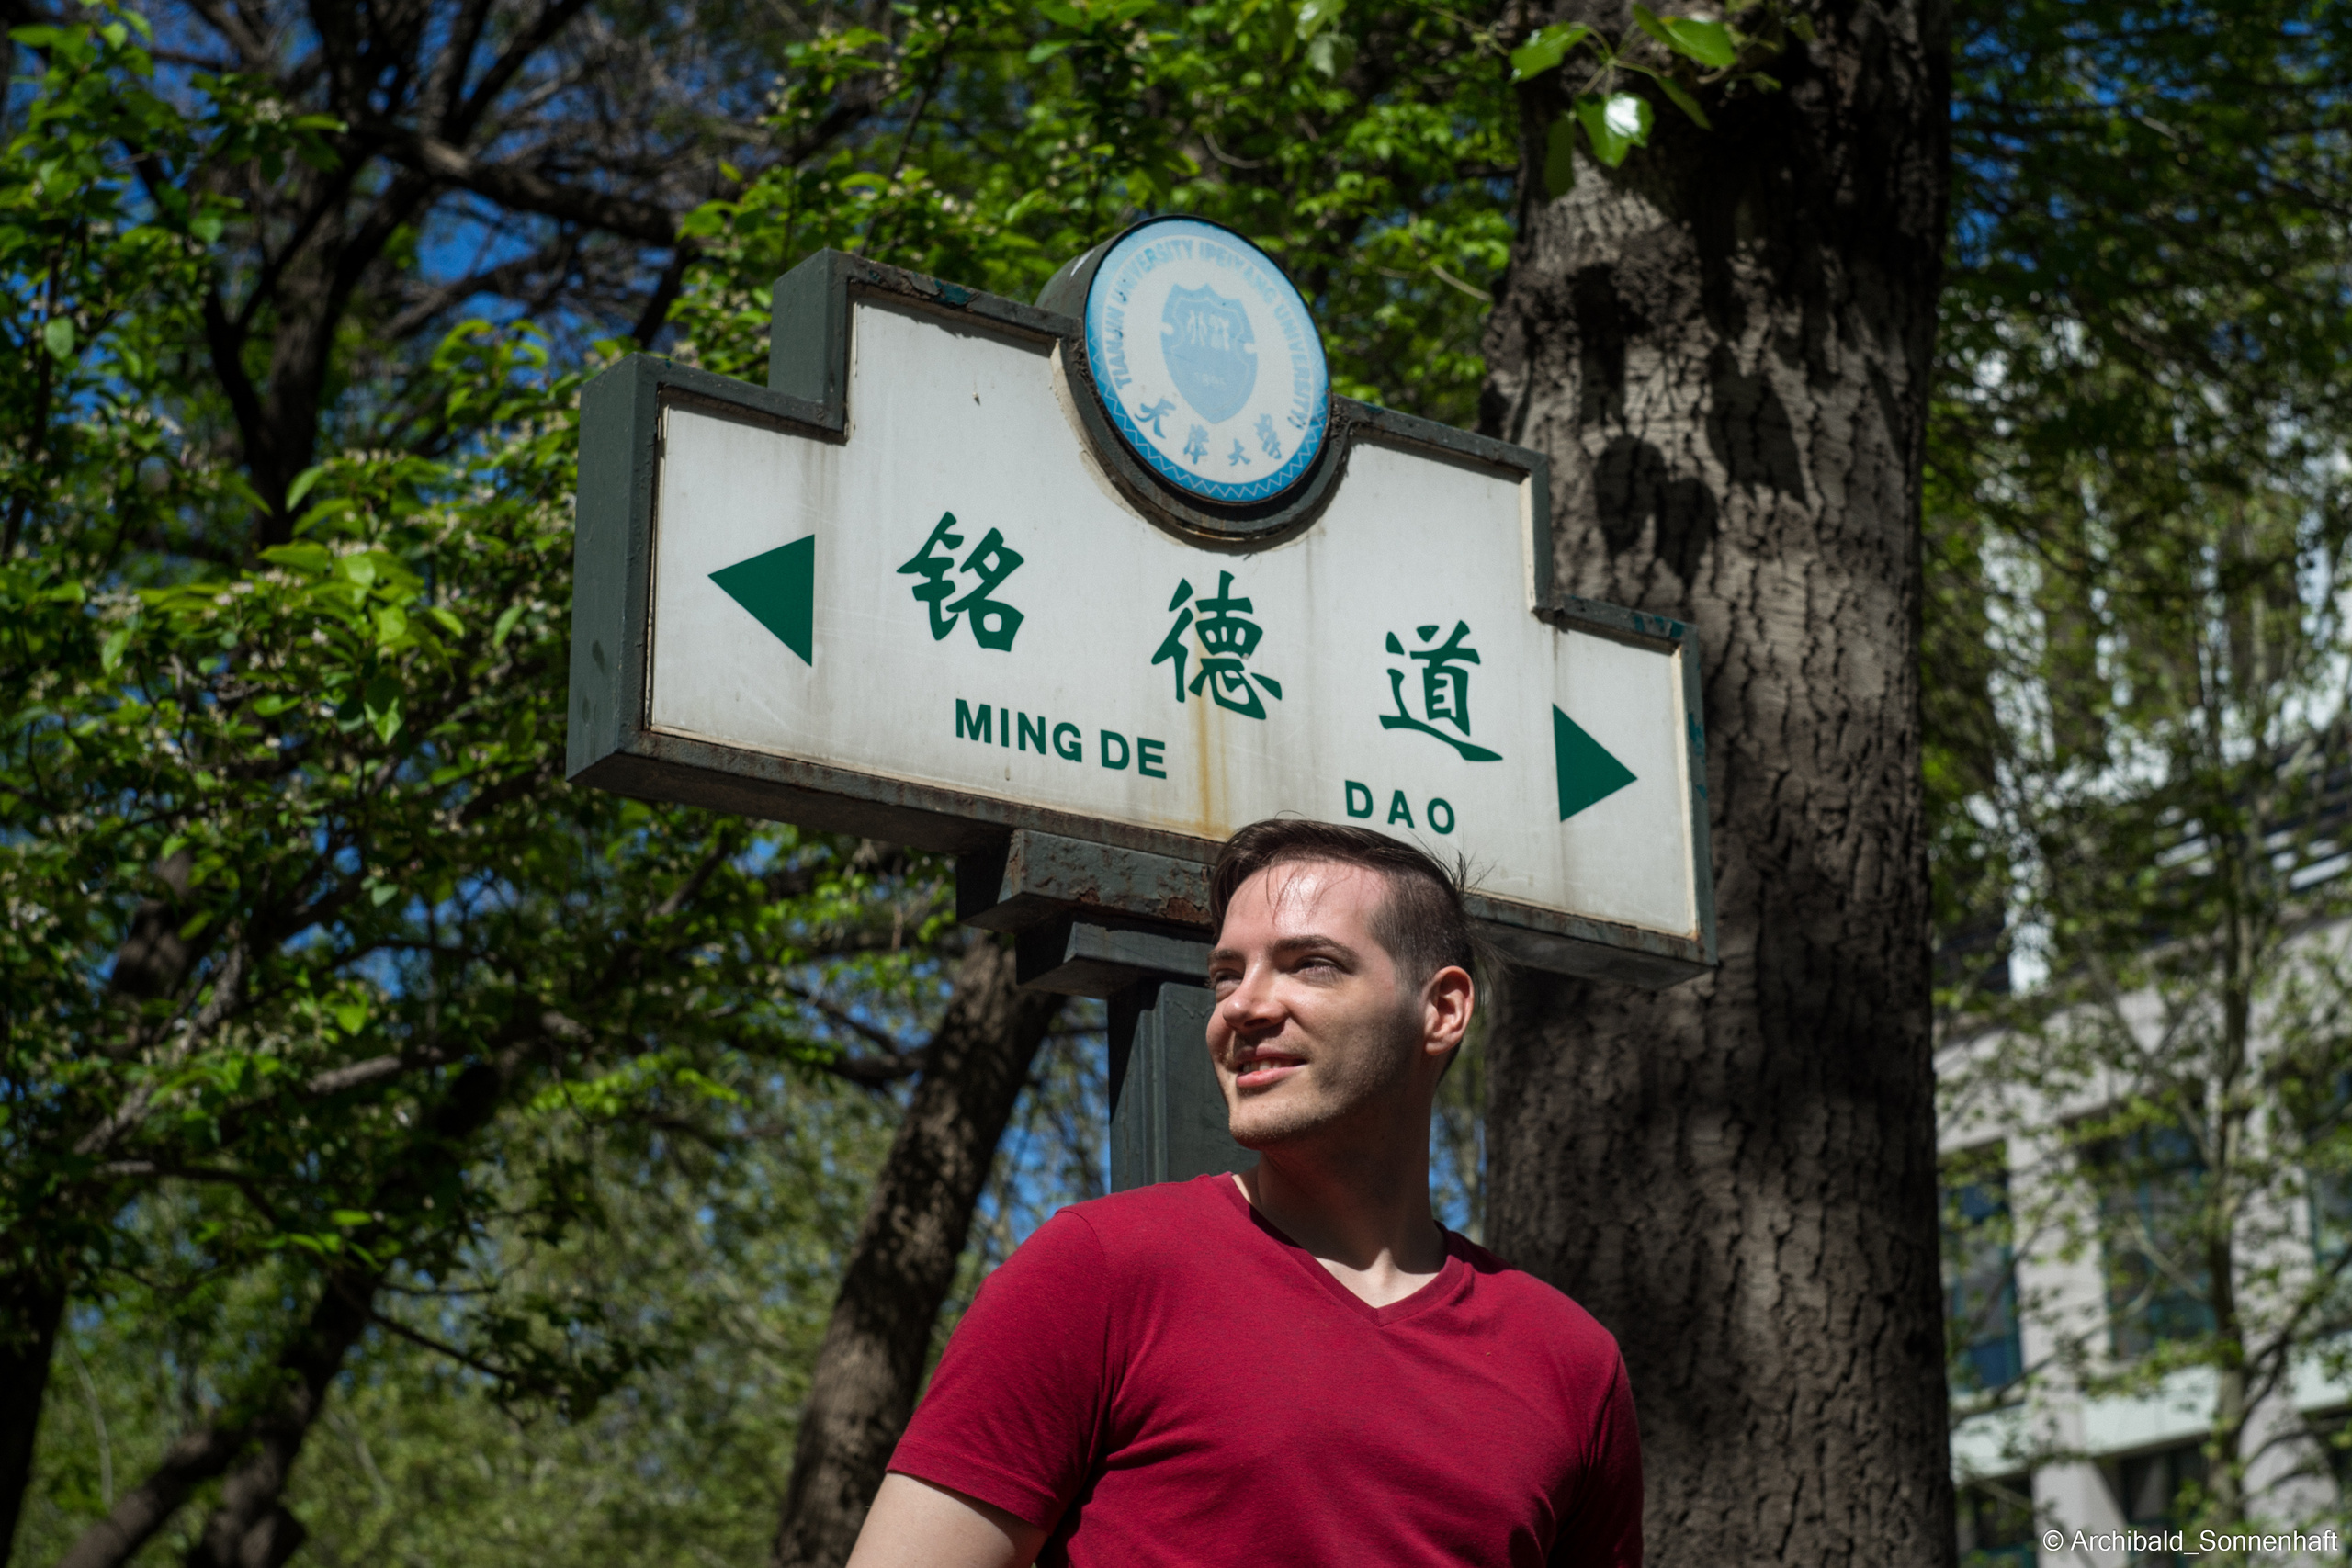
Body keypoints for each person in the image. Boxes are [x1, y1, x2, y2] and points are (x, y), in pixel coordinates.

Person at [844, 818, 1643, 1568]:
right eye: (1226, 973)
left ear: (1441, 1009)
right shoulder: (1100, 1271)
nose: (1243, 1006)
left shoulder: (1572, 1363)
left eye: (1311, 964)